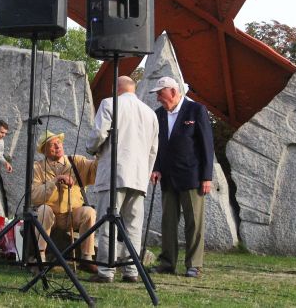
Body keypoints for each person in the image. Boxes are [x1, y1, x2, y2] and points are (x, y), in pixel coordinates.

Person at [86, 76, 159, 283]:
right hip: (138, 177)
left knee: (107, 223)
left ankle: (106, 271)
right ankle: (131, 271)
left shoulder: (110, 104)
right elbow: (153, 150)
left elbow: (99, 133)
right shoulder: (150, 113)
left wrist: (90, 147)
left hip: (114, 174)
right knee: (133, 226)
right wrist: (145, 175)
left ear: (117, 88)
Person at [149, 76, 214, 278]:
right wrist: (156, 167)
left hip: (192, 177)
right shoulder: (158, 115)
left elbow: (206, 145)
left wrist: (206, 177)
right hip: (168, 178)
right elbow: (156, 146)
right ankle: (167, 262)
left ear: (174, 92)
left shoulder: (196, 110)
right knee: (168, 222)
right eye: (157, 94)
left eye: (161, 93)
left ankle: (194, 264)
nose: (158, 98)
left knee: (193, 222)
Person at [31, 130, 98, 273]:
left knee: (89, 212)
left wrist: (100, 153)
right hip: (51, 217)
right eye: (52, 144)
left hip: (72, 215)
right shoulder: (37, 167)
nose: (57, 146)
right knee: (43, 210)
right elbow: (35, 197)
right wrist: (54, 181)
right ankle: (40, 257)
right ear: (44, 150)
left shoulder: (76, 161)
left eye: (59, 142)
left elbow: (95, 171)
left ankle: (86, 258)